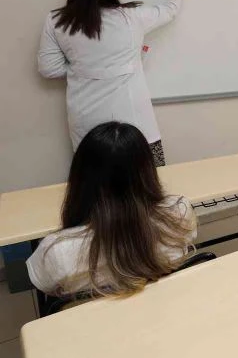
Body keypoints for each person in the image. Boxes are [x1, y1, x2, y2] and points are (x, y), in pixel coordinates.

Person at [38, 0, 192, 166]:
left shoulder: (56, 20)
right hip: (136, 124)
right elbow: (170, 10)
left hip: (87, 126)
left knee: (96, 190)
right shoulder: (132, 17)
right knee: (146, 187)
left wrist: (82, 67)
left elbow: (49, 68)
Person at [26, 122, 197, 297]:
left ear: (79, 178)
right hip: (166, 312)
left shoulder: (56, 250)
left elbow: (46, 285)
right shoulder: (180, 212)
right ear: (147, 171)